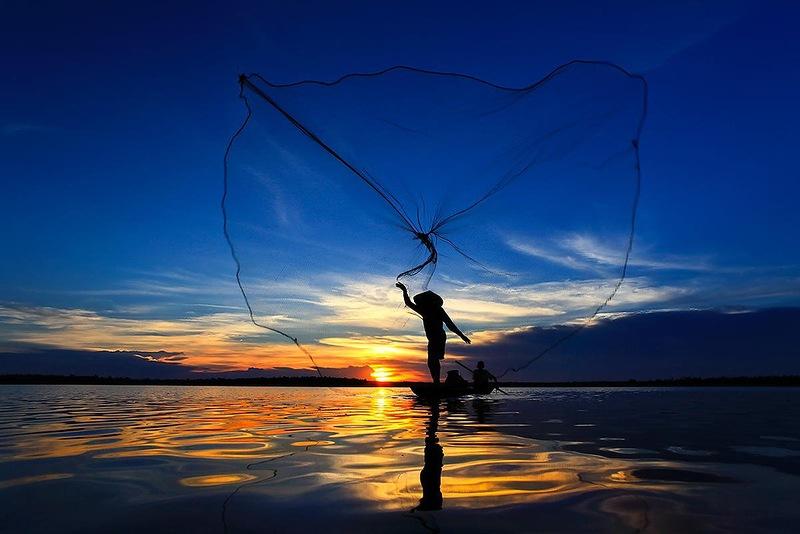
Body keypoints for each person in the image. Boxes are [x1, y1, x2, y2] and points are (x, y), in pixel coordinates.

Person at [396, 282, 470, 384]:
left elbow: (450, 324)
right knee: (432, 361)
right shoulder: (424, 310)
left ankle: (436, 381)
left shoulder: (438, 310)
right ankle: (436, 381)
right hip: (432, 338)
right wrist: (404, 291)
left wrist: (462, 335)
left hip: (438, 337)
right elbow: (408, 303)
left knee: (433, 360)